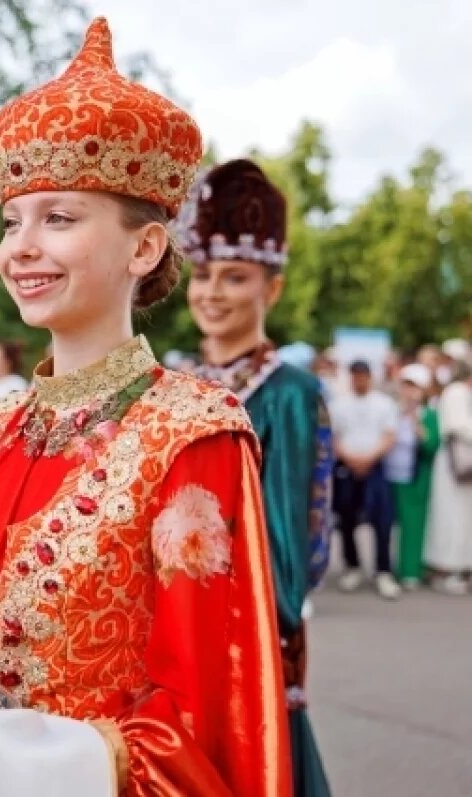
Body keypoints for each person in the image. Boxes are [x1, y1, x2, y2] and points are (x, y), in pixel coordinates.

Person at [0, 19, 289, 794]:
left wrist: (12, 761)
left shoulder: (192, 437)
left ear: (144, 249)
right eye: (13, 221)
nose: (21, 247)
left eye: (60, 219)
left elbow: (196, 716)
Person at [181, 159, 332, 797]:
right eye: (202, 275)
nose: (212, 292)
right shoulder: (172, 380)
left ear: (272, 289)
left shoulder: (291, 393)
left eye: (234, 277)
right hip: (171, 628)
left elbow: (295, 540)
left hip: (249, 635)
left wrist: (259, 627)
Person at [329, 360, 400, 599]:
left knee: (382, 518)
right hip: (347, 466)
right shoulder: (339, 404)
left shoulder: (384, 403)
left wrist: (369, 458)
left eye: (362, 376)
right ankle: (352, 565)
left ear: (370, 377)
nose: (358, 380)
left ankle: (383, 570)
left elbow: (389, 435)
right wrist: (350, 458)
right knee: (347, 517)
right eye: (355, 376)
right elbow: (334, 437)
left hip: (375, 465)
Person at [387, 363, 439, 590]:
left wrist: (418, 426)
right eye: (406, 386)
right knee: (386, 523)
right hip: (390, 474)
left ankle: (410, 570)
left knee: (412, 524)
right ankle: (385, 567)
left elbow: (432, 445)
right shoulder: (391, 410)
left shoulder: (429, 415)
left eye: (414, 387)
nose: (409, 392)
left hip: (415, 477)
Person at [424, 362, 472, 594]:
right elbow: (459, 426)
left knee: (464, 519)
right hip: (454, 465)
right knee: (451, 518)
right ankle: (448, 569)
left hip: (465, 466)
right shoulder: (456, 392)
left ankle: (462, 568)